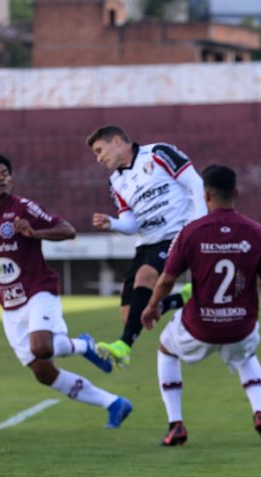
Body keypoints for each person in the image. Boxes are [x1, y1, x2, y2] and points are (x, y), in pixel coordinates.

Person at [0, 153, 133, 429]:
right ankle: (113, 403)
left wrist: (35, 234)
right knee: (43, 373)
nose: (1, 178)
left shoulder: (24, 208)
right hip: (10, 305)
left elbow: (68, 230)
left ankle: (84, 345)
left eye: (5, 174)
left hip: (39, 291)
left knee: (42, 347)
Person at [140, 165, 261, 447]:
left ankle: (175, 424)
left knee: (166, 349)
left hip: (200, 325)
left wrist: (152, 306)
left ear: (206, 195)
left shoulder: (192, 231)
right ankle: (260, 413)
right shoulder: (256, 231)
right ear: (236, 193)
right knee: (246, 352)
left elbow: (167, 279)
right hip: (240, 325)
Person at [87, 125, 208, 368]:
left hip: (176, 233)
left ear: (117, 141)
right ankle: (180, 298)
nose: (99, 158)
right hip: (146, 243)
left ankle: (123, 347)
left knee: (145, 276)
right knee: (130, 315)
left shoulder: (158, 153)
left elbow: (196, 183)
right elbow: (131, 224)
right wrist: (112, 223)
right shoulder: (115, 182)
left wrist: (199, 226)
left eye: (100, 150)